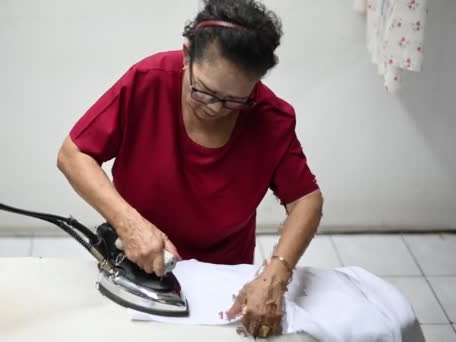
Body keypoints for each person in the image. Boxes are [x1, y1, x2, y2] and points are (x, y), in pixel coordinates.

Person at [57, 0, 323, 338]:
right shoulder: (147, 82)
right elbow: (73, 154)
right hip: (136, 261)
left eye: (233, 101)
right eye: (205, 92)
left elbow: (307, 201)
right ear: (187, 55)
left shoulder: (270, 118)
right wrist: (129, 225)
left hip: (224, 277)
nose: (215, 108)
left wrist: (275, 274)